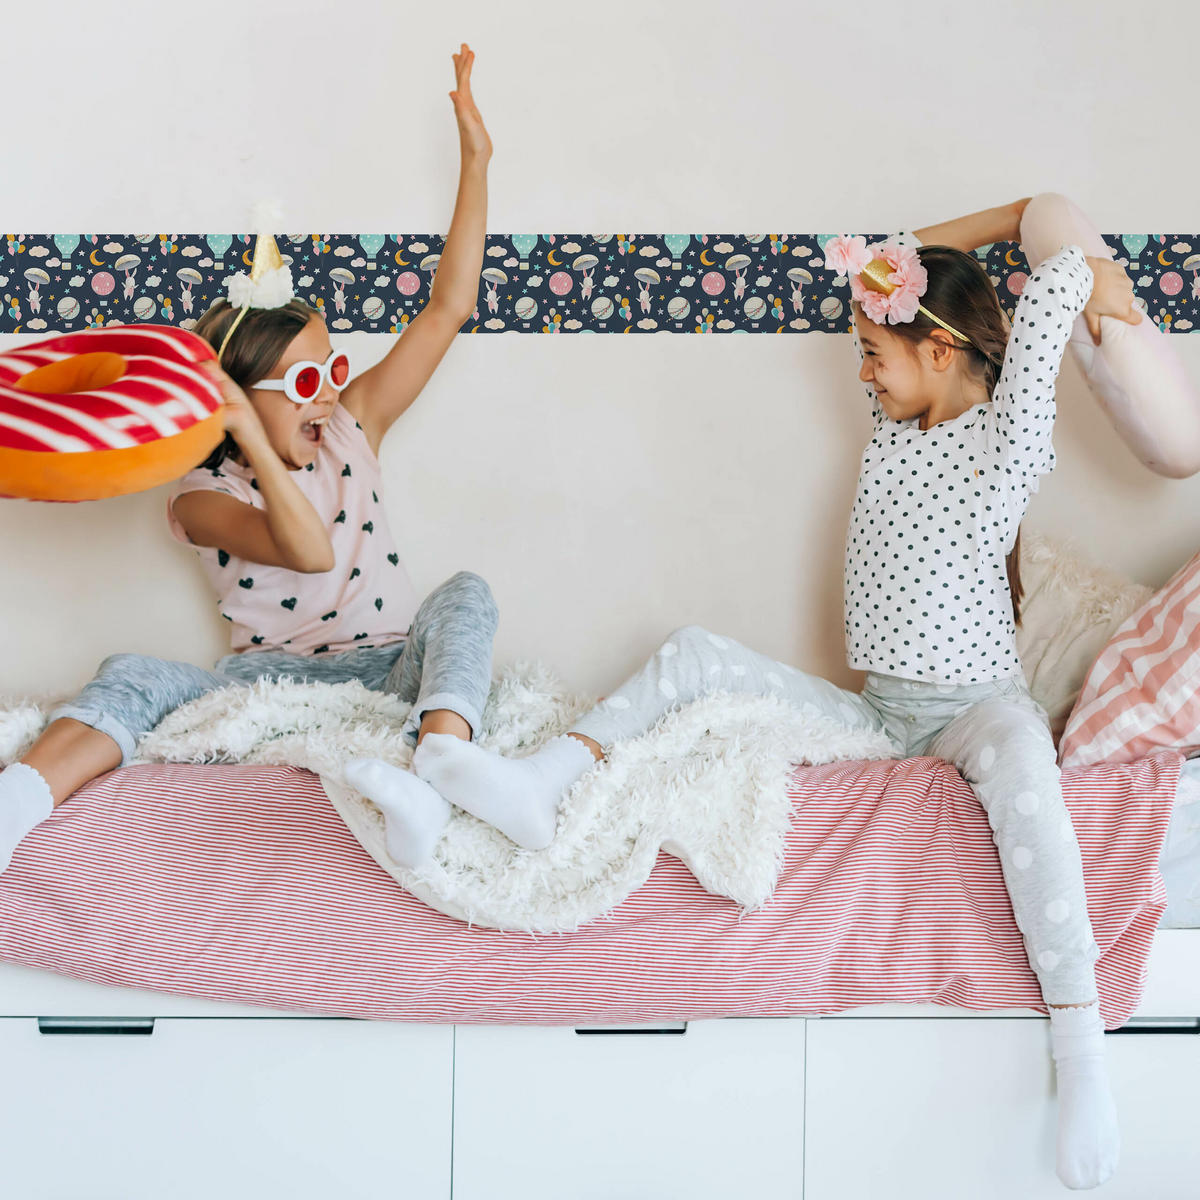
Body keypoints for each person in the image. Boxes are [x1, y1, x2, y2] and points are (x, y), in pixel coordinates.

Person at [401, 200, 1141, 1190]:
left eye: (874, 353)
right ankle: (544, 780)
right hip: (881, 714)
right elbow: (889, 267)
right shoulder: (894, 426)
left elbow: (1058, 286)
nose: (863, 373)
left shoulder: (1006, 442)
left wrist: (1036, 220)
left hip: (976, 705)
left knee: (1024, 766)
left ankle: (1080, 1039)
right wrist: (935, 255)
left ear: (939, 351)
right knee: (695, 655)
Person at [0, 44, 498, 875]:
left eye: (333, 371)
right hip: (268, 686)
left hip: (388, 670)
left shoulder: (353, 428)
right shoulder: (201, 496)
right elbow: (309, 551)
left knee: (466, 596)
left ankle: (439, 770)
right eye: (303, 381)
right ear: (240, 395)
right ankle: (15, 804)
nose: (328, 395)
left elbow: (448, 309)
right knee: (132, 673)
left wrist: (476, 161)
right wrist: (251, 439)